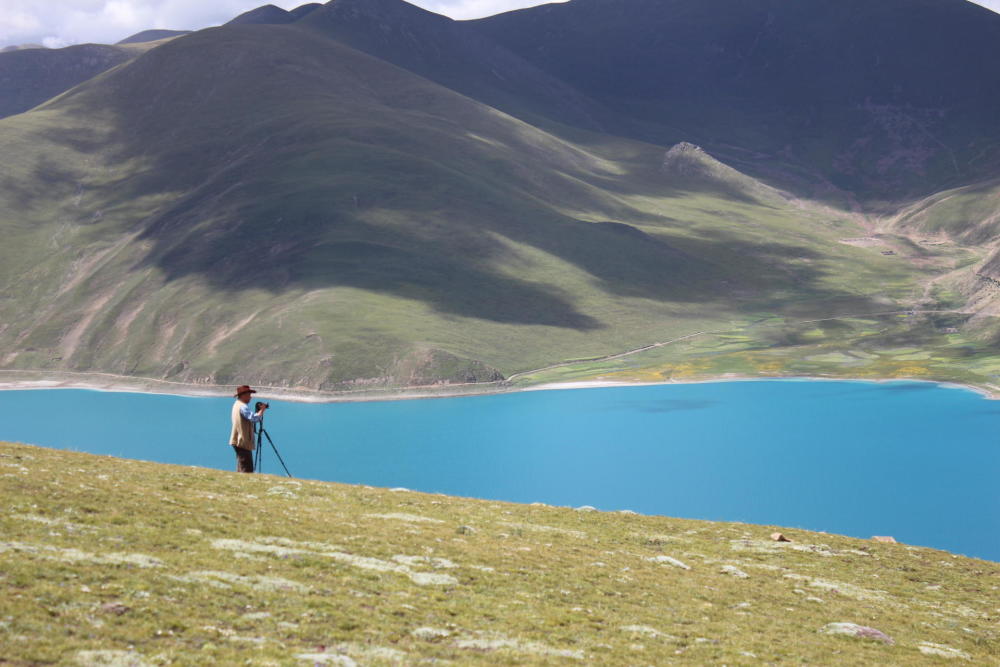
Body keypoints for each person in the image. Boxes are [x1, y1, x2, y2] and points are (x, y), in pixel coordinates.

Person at [230, 385, 267, 473]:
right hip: (242, 440)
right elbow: (254, 418)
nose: (250, 397)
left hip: (238, 440)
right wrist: (262, 411)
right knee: (247, 469)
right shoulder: (243, 406)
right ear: (243, 395)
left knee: (241, 465)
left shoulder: (236, 404)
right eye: (249, 395)